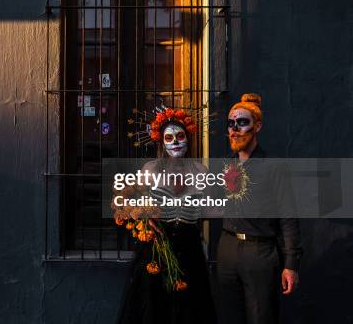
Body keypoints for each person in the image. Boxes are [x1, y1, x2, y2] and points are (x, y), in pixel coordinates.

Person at [117, 108, 217, 324]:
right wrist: (143, 215)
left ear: (188, 138)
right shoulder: (150, 170)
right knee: (155, 305)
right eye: (169, 138)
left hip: (189, 246)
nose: (175, 143)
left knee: (190, 305)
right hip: (157, 246)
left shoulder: (200, 171)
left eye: (180, 136)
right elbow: (125, 200)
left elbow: (209, 207)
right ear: (161, 142)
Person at [217, 93, 303, 324]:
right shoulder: (225, 164)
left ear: (258, 126)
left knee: (261, 317)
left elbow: (288, 217)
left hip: (259, 251)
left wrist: (291, 264)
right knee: (228, 315)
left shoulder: (274, 167)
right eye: (231, 123)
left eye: (242, 122)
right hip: (227, 247)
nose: (234, 129)